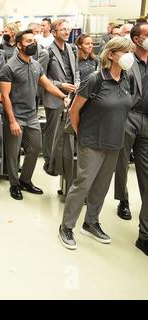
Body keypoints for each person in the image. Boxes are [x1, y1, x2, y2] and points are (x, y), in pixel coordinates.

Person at [58, 37, 135, 250]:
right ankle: (66, 226)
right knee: (83, 183)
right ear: (111, 55)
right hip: (91, 141)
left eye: (131, 51)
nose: (130, 55)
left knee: (102, 185)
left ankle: (91, 222)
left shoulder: (127, 79)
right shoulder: (95, 79)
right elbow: (74, 111)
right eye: (124, 51)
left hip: (114, 142)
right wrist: (81, 135)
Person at [0, 29, 69, 201]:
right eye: (28, 41)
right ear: (19, 44)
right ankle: (14, 184)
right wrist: (12, 121)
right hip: (15, 116)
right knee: (13, 152)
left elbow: (47, 85)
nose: (33, 43)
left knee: (35, 148)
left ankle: (25, 180)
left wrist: (63, 96)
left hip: (31, 116)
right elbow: (4, 96)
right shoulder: (9, 67)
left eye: (33, 40)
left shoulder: (35, 65)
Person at [113, 23, 148, 256]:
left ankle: (144, 231)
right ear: (136, 39)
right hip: (129, 117)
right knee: (122, 162)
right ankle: (123, 200)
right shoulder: (127, 62)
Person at [39, 19, 80, 175]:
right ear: (54, 32)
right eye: (62, 29)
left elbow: (75, 70)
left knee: (67, 130)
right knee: (53, 130)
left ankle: (61, 158)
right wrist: (61, 85)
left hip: (72, 94)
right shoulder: (46, 52)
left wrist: (77, 82)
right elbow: (41, 78)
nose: (66, 32)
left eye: (67, 29)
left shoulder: (72, 49)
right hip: (54, 96)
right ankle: (49, 161)